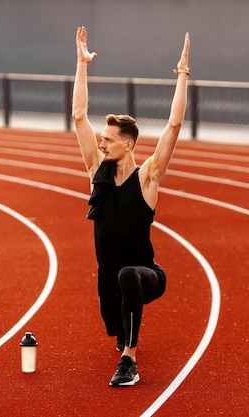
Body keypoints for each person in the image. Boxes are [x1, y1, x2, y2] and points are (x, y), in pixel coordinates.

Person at [72, 26, 190, 387]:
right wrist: (82, 64)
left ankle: (130, 362)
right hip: (107, 277)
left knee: (129, 277)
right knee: (113, 322)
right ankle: (123, 330)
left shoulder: (148, 177)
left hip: (145, 273)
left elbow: (174, 124)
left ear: (128, 144)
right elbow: (79, 117)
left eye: (108, 139)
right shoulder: (98, 172)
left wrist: (183, 74)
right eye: (101, 139)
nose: (101, 143)